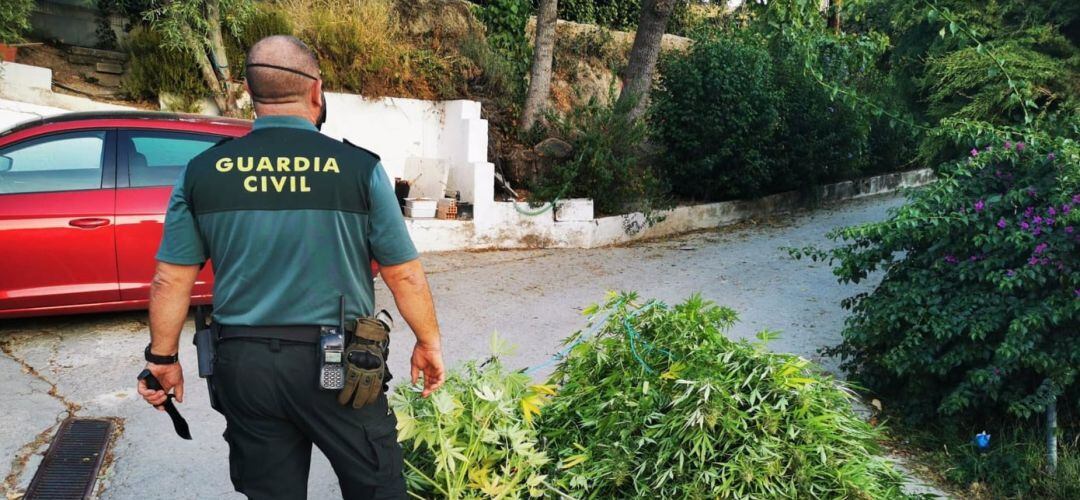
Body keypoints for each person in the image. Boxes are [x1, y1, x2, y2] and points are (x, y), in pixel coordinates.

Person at [136, 35, 445, 500]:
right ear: (317, 92)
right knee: (377, 487)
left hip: (244, 366)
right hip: (338, 366)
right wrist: (428, 342)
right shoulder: (358, 168)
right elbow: (402, 273)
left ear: (250, 92)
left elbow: (170, 278)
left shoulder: (204, 170)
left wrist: (162, 360)